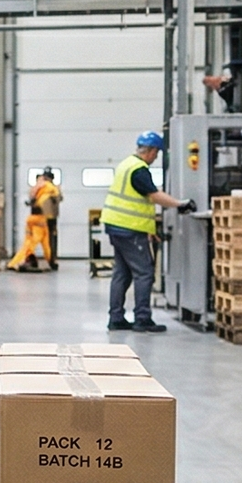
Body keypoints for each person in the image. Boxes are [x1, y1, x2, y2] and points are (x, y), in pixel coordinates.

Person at [101, 130, 193, 333]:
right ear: (150, 151)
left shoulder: (126, 164)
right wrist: (180, 204)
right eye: (156, 153)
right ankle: (142, 318)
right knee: (144, 273)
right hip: (129, 229)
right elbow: (154, 196)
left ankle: (116, 317)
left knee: (122, 273)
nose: (156, 157)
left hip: (116, 226)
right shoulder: (139, 170)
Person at [7, 168, 61, 271]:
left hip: (32, 218)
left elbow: (31, 200)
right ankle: (49, 261)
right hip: (41, 219)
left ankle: (19, 261)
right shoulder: (49, 187)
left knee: (29, 241)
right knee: (41, 242)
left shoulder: (36, 187)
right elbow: (56, 197)